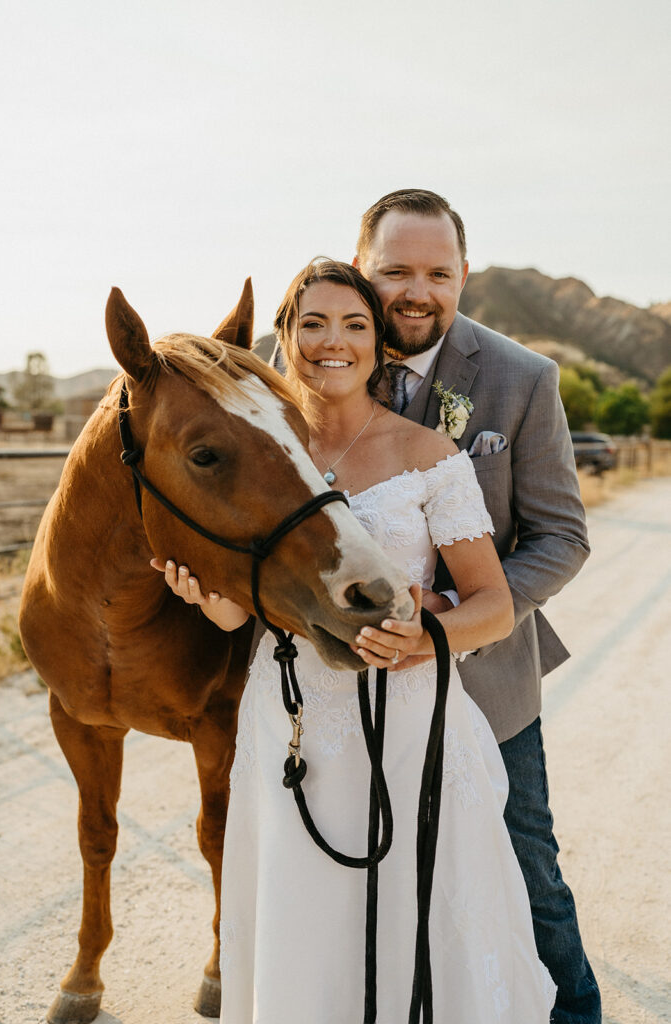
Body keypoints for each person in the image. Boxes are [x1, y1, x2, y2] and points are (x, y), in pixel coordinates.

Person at [154, 259, 557, 1022]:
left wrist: (419, 637)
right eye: (311, 323)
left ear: (381, 346)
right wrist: (210, 602)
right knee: (305, 920)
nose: (330, 341)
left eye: (353, 325)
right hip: (291, 724)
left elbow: (494, 607)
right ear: (283, 337)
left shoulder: (428, 456)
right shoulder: (263, 454)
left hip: (409, 727)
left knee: (420, 920)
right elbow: (250, 614)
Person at [349, 189, 600, 1024]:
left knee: (525, 869)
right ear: (360, 270)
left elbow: (561, 538)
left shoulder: (521, 379)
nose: (415, 290)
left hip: (486, 679)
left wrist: (453, 611)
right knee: (364, 874)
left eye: (437, 272)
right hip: (346, 691)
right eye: (393, 271)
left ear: (464, 277)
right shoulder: (309, 370)